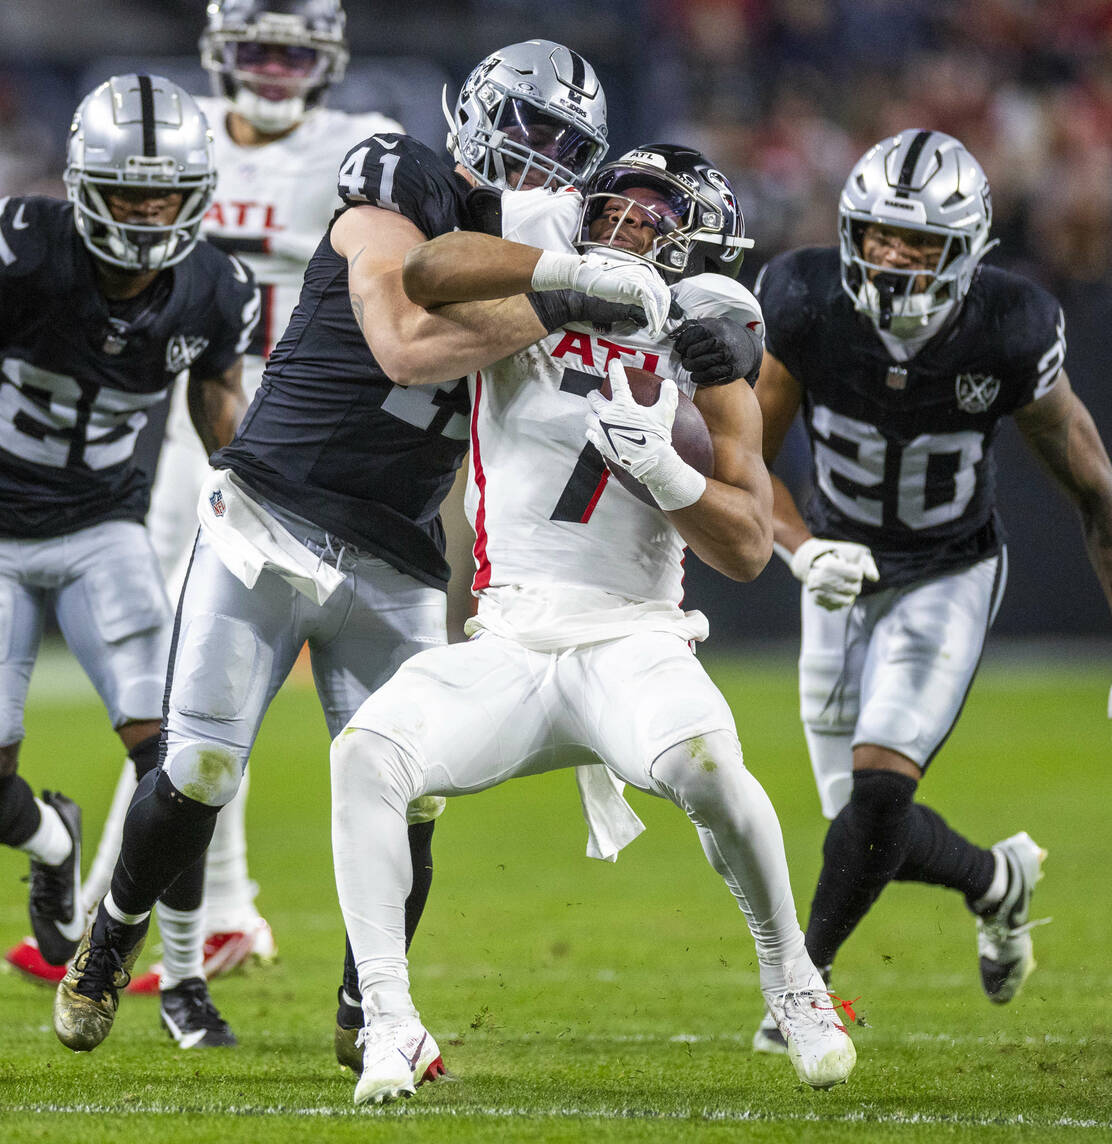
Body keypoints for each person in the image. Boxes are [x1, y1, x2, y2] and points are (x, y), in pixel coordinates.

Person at [49, 40, 674, 1062]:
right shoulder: (403, 174)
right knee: (199, 764)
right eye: (522, 126)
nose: (534, 157)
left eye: (561, 144)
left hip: (400, 549)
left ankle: (365, 1011)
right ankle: (109, 941)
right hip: (275, 513)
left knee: (413, 786)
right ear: (472, 115)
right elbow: (401, 345)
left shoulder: (552, 250)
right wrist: (566, 293)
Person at [324, 142, 856, 1107]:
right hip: (511, 635)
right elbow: (428, 269)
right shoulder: (539, 280)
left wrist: (667, 475)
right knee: (365, 754)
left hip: (635, 634)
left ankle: (796, 984)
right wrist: (564, 277)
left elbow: (742, 546)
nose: (624, 225)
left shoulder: (709, 346)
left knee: (707, 767)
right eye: (613, 206)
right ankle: (392, 1023)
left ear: (697, 243)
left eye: (653, 216)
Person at [749, 129, 1112, 1052]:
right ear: (849, 231)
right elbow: (746, 459)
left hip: (947, 569)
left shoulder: (1009, 326)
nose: (894, 260)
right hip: (838, 571)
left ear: (968, 250)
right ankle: (995, 882)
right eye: (878, 237)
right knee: (856, 826)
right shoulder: (804, 298)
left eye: (920, 245)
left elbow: (1094, 484)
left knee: (878, 795)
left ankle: (800, 989)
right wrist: (800, 549)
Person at [38, 0, 411, 999]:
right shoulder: (171, 134)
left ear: (327, 59)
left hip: (303, 432)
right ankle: (218, 906)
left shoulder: (361, 157)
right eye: (258, 50)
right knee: (190, 682)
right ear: (221, 52)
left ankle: (146, 913)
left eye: (297, 52)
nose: (278, 71)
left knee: (199, 686)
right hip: (188, 421)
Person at [0, 73, 257, 1040]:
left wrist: (252, 481)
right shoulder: (21, 250)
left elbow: (217, 402)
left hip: (106, 529)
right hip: (1, 530)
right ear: (80, 187)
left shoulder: (215, 284)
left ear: (192, 195)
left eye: (163, 194)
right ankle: (53, 837)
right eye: (127, 194)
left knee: (179, 762)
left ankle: (183, 978)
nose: (147, 214)